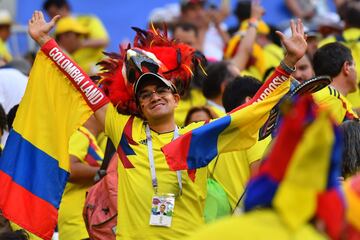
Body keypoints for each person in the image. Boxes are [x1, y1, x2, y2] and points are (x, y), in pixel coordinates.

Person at [28, 10, 307, 239]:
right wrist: (47, 44)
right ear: (138, 105)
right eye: (145, 95)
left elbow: (252, 109)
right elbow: (82, 83)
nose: (154, 98)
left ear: (176, 98)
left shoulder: (198, 135)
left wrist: (289, 62)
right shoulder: (125, 131)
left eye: (161, 91)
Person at [58, 115, 104, 240]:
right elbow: (69, 169)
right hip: (77, 223)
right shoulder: (80, 133)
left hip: (84, 223)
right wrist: (106, 173)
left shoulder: (91, 139)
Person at [43, 0, 109, 74]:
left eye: (55, 14)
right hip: (76, 75)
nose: (53, 18)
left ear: (65, 8)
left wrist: (80, 44)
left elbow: (104, 41)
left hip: (99, 68)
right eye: (50, 15)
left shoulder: (88, 20)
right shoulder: (54, 33)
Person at [312, 42, 358, 123]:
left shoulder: (327, 96)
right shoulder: (332, 99)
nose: (356, 71)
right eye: (354, 65)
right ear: (346, 67)